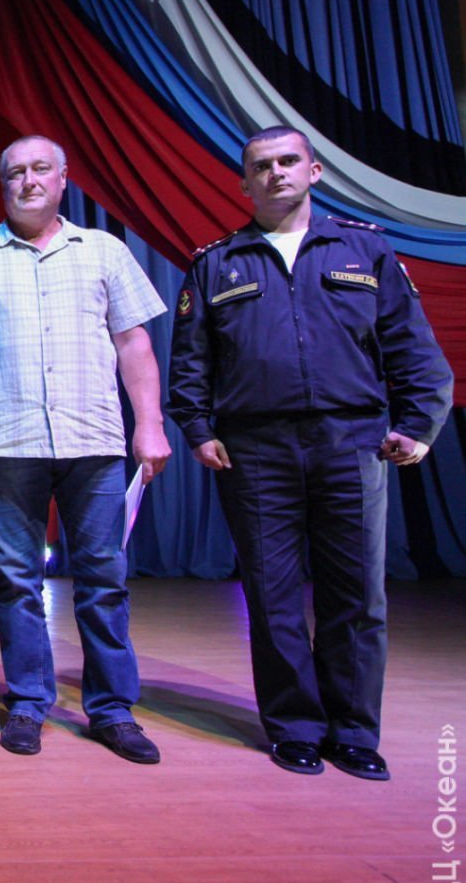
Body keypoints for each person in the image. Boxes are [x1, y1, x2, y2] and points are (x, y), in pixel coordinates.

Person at [168, 126, 452, 781]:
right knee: (272, 596)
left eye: (288, 160)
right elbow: (190, 362)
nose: (276, 173)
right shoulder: (215, 263)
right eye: (261, 166)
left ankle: (354, 731)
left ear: (314, 171)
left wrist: (418, 424)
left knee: (356, 595)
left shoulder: (365, 249)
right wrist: (198, 429)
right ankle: (295, 726)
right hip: (254, 450)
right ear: (244, 183)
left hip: (352, 443)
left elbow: (412, 346)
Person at [0, 135, 169, 765]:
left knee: (103, 579)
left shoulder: (105, 251)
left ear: (63, 179)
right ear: (3, 184)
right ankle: (28, 703)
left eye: (41, 169)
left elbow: (134, 343)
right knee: (16, 581)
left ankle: (112, 710)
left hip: (94, 440)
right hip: (11, 442)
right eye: (16, 172)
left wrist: (150, 424)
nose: (28, 180)